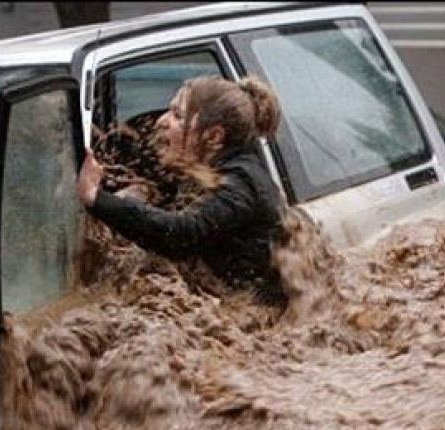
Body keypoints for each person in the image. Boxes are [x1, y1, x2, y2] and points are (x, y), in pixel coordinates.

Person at [76, 75, 287, 304]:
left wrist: (95, 197)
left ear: (213, 137)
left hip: (252, 316)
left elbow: (180, 235)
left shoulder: (241, 184)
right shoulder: (205, 167)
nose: (161, 121)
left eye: (177, 115)